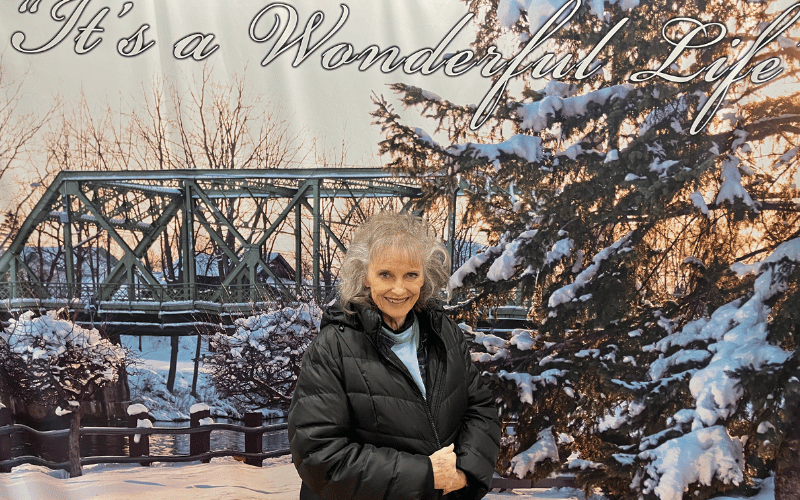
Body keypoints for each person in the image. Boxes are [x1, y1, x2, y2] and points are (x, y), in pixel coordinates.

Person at [289, 211, 501, 500]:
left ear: (424, 277)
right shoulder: (333, 347)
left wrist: (465, 471)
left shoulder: (445, 334)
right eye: (385, 274)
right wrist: (425, 474)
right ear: (365, 276)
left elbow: (481, 410)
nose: (399, 289)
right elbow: (319, 454)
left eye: (411, 275)